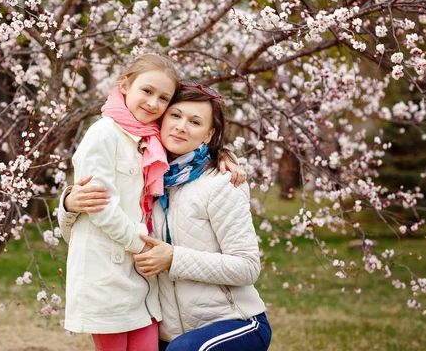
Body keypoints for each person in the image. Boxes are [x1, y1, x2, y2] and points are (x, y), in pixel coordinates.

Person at [61, 82, 271, 351]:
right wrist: (70, 204)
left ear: (208, 134)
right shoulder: (146, 175)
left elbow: (248, 267)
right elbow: (101, 222)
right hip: (169, 332)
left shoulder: (221, 182)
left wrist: (173, 258)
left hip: (234, 321)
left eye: (195, 122)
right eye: (175, 115)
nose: (181, 126)